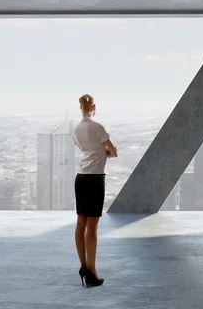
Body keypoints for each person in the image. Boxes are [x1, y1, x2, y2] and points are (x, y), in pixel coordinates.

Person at [72, 94, 118, 288]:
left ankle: (83, 267)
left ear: (80, 107)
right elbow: (113, 151)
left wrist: (95, 153)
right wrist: (102, 153)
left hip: (80, 177)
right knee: (92, 227)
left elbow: (85, 151)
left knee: (80, 223)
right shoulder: (98, 127)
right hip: (95, 180)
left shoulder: (76, 130)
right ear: (94, 107)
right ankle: (92, 271)